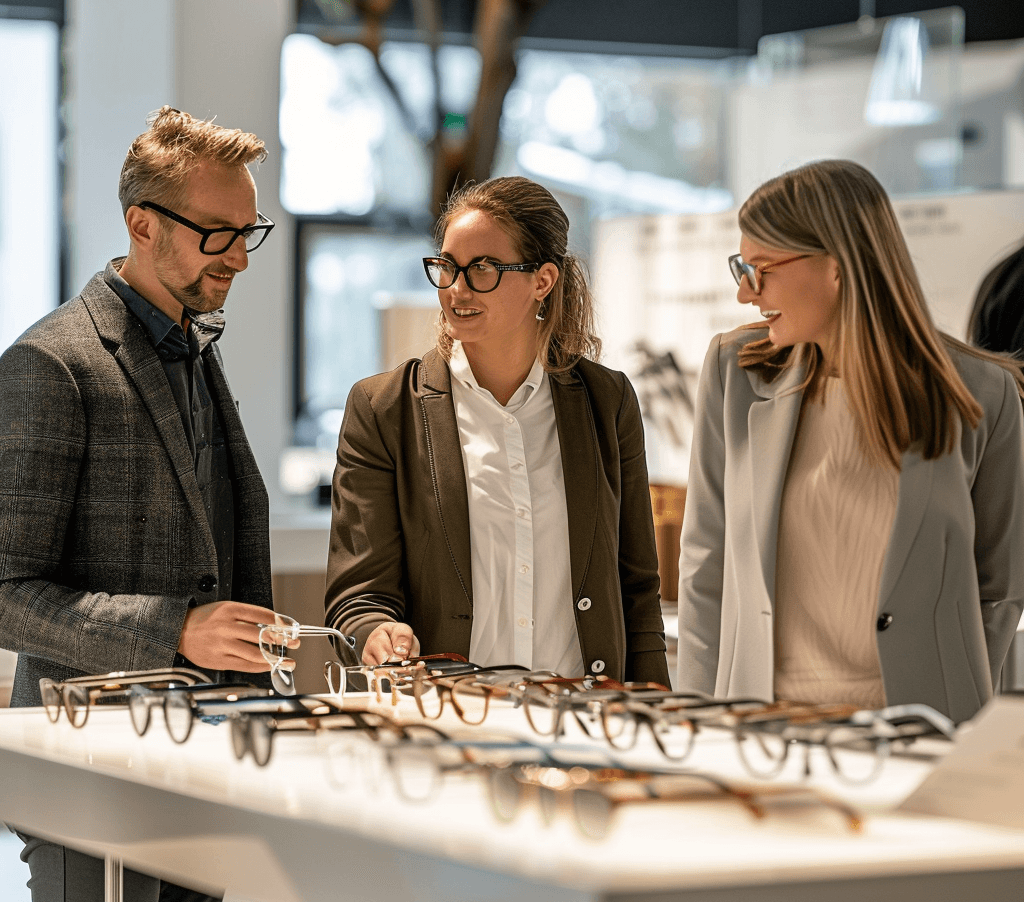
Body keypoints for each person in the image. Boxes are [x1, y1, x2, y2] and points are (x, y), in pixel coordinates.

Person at [0, 107, 281, 902]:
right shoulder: (51, 363)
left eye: (248, 231)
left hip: (209, 754)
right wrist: (177, 631)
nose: (237, 255)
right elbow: (6, 594)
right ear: (142, 224)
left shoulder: (195, 348)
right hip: (93, 759)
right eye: (217, 233)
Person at [677, 159, 1024, 724]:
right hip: (761, 725)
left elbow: (999, 586)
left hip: (920, 729)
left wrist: (952, 702)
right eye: (741, 268)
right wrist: (692, 723)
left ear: (837, 267)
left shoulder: (982, 391)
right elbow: (705, 567)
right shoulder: (733, 374)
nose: (746, 293)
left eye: (760, 269)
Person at [325, 176, 669, 686]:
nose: (457, 289)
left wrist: (655, 712)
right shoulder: (383, 409)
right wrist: (376, 631)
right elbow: (357, 593)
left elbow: (636, 588)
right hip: (447, 719)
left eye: (482, 268)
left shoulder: (607, 401)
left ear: (542, 281)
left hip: (586, 718)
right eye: (446, 267)